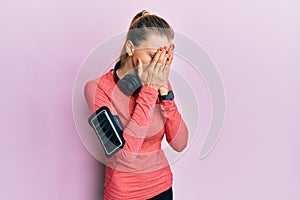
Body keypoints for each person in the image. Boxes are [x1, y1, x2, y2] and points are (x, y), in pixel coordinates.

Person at [84, 10, 188, 200]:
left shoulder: (158, 83)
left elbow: (180, 144)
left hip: (162, 188)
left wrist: (165, 93)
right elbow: (125, 156)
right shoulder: (97, 89)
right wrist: (149, 91)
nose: (158, 65)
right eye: (153, 55)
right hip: (124, 194)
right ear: (131, 48)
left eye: (163, 58)